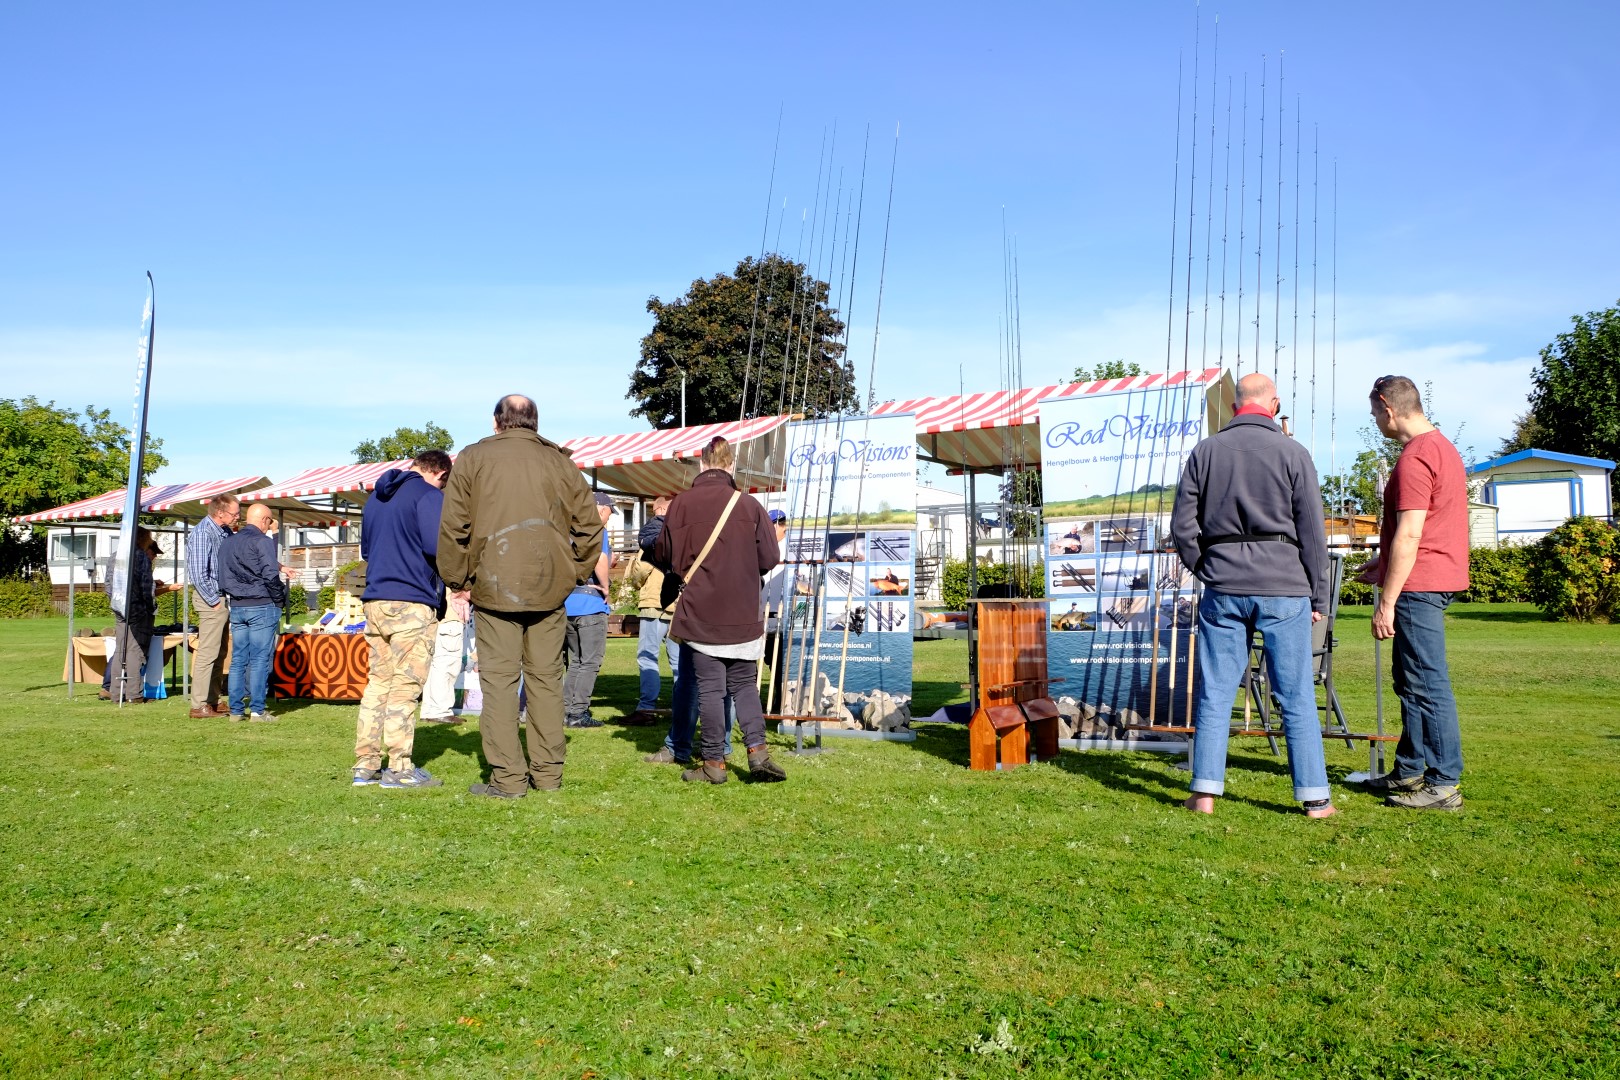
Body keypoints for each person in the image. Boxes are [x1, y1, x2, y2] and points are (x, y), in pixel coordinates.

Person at [1170, 372, 1335, 818]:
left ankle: (1204, 791)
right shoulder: (1293, 452)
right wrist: (1319, 595)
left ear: (1234, 405)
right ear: (1274, 404)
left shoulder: (1205, 452)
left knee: (1216, 691)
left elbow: (1183, 528)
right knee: (1295, 693)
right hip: (1284, 586)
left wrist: (1205, 567)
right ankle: (1315, 799)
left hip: (1223, 585)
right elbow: (1313, 534)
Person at [438, 394, 602, 798]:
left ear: (497, 422)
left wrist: (458, 580)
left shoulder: (473, 459)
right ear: (534, 422)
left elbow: (453, 526)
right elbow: (590, 526)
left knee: (499, 684)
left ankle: (509, 780)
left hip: (494, 588)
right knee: (547, 682)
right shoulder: (560, 462)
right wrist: (574, 571)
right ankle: (547, 776)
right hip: (549, 588)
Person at [1356, 375, 1470, 811]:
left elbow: (1410, 534)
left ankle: (1443, 783)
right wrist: (1383, 565)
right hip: (1430, 577)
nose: (1375, 421)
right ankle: (1410, 770)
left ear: (1387, 406)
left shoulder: (1416, 457)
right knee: (1410, 680)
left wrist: (1387, 600)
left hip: (1420, 585)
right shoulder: (1440, 447)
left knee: (1426, 683)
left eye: (1373, 413)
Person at [653, 436, 787, 784]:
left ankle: (714, 764)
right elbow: (770, 558)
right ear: (730, 467)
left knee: (710, 688)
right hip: (743, 610)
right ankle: (758, 753)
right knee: (744, 685)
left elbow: (665, 556)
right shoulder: (750, 506)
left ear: (702, 464)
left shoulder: (681, 505)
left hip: (700, 610)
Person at [352, 450, 452, 790]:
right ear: (439, 473)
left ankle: (365, 766)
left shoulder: (374, 499)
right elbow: (440, 547)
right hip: (411, 602)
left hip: (375, 600)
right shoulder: (428, 495)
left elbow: (367, 551)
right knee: (405, 688)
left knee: (377, 683)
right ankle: (399, 768)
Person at [219, 503, 290, 721]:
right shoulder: (263, 541)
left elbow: (223, 575)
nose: (269, 527)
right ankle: (258, 710)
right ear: (265, 520)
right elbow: (270, 574)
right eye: (269, 522)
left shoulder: (228, 542)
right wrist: (279, 600)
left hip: (238, 605)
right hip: (262, 604)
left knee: (238, 659)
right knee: (260, 658)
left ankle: (237, 710)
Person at [562, 493, 617, 728]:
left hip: (567, 603)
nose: (608, 518)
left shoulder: (568, 529)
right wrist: (606, 587)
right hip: (590, 605)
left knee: (575, 661)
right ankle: (578, 713)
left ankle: (565, 710)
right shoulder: (596, 530)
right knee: (590, 662)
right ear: (600, 509)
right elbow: (600, 559)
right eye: (609, 512)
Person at [104, 526, 175, 704]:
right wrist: (151, 607)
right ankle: (134, 694)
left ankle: (116, 693)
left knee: (121, 650)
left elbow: (107, 585)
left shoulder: (115, 556)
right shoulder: (140, 556)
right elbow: (146, 587)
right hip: (138, 610)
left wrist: (115, 603)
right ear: (142, 539)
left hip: (119, 609)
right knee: (135, 652)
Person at [626, 495, 679, 726]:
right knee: (678, 662)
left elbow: (640, 571)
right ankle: (681, 707)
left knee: (648, 657)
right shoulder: (681, 533)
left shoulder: (651, 535)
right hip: (677, 606)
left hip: (653, 603)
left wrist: (634, 580)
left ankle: (646, 707)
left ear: (658, 509)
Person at [186, 493, 240, 717]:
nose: (238, 517)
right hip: (211, 599)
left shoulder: (224, 531)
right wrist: (215, 602)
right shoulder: (202, 533)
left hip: (221, 597)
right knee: (208, 653)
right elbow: (198, 574)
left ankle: (212, 700)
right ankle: (198, 705)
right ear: (219, 513)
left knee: (220, 652)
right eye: (234, 513)